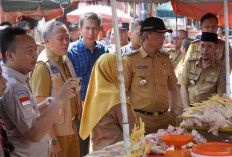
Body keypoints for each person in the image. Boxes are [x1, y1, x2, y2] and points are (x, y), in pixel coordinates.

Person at [0, 27, 79, 157]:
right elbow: (34, 134)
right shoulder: (15, 87)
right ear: (10, 55)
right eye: (29, 51)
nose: (35, 55)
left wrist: (41, 107)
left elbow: (24, 116)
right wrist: (59, 99)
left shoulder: (19, 78)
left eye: (35, 50)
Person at [31, 21, 81, 157]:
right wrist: (52, 140)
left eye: (67, 38)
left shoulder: (64, 60)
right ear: (47, 41)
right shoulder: (43, 66)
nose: (66, 42)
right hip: (55, 134)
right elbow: (40, 109)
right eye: (60, 39)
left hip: (70, 128)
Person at [124, 17, 178, 134]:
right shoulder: (130, 60)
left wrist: (173, 111)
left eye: (163, 35)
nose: (163, 38)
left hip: (164, 119)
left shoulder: (165, 59)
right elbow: (123, 93)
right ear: (147, 35)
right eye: (159, 34)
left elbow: (172, 87)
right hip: (141, 121)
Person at [67, 12, 108, 156]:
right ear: (80, 29)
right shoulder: (71, 53)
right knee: (81, 147)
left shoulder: (103, 51)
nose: (91, 32)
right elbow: (70, 84)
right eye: (87, 28)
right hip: (80, 110)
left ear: (99, 30)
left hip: (101, 109)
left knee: (102, 147)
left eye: (95, 29)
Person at [79, 53, 136, 151]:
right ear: (112, 70)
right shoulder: (116, 97)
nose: (122, 73)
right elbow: (132, 131)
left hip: (97, 150)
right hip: (116, 151)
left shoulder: (93, 95)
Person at [179, 32, 226, 109]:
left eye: (209, 46)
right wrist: (187, 109)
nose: (205, 50)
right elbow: (183, 86)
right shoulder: (190, 64)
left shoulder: (220, 69)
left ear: (216, 47)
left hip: (208, 112)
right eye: (202, 45)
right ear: (199, 46)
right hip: (189, 109)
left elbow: (221, 95)